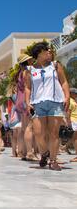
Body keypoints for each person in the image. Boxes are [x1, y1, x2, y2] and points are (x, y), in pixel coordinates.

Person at [25, 42, 70, 170]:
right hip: (38, 104)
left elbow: (64, 82)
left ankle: (53, 161)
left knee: (54, 133)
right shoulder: (30, 70)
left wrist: (66, 96)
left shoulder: (56, 66)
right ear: (39, 53)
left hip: (55, 102)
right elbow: (28, 88)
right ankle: (45, 153)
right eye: (47, 51)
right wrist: (27, 102)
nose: (49, 53)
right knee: (38, 133)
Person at [67, 88, 77, 162]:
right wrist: (69, 122)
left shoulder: (72, 101)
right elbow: (69, 112)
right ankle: (65, 147)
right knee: (74, 138)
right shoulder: (71, 101)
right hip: (73, 121)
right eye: (75, 93)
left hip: (74, 121)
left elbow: (69, 112)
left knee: (74, 139)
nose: (76, 94)